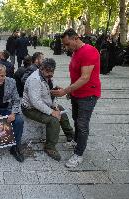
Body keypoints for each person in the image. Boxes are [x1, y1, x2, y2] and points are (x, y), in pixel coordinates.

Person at [51, 28, 101, 168]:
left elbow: (85, 78)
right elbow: (76, 76)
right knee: (75, 119)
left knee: (82, 124)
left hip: (88, 94)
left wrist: (65, 90)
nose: (66, 47)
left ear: (75, 38)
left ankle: (79, 154)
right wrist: (70, 91)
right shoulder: (75, 52)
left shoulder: (89, 51)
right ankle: (77, 141)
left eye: (67, 44)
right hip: (77, 93)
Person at [22, 58, 74, 161]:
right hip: (30, 108)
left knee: (61, 110)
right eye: (47, 71)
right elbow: (35, 102)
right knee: (53, 120)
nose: (50, 74)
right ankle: (50, 147)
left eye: (52, 71)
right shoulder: (34, 80)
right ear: (41, 69)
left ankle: (70, 135)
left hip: (44, 104)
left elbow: (52, 92)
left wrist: (55, 106)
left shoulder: (48, 77)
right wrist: (52, 112)